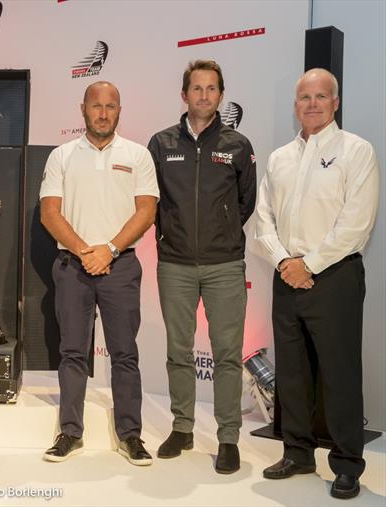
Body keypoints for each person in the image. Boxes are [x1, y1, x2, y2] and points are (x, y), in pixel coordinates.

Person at [255, 68, 379, 499]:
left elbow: (356, 224)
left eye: (320, 96)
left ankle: (346, 464)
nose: (312, 103)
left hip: (335, 277)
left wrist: (309, 264)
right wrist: (285, 261)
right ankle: (298, 452)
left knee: (339, 374)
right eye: (304, 97)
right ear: (296, 105)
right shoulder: (279, 158)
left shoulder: (357, 152)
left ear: (335, 102)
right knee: (292, 372)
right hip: (286, 275)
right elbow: (263, 218)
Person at [39, 81, 159, 465]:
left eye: (110, 106)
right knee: (73, 352)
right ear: (83, 109)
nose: (103, 113)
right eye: (96, 106)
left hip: (120, 266)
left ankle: (131, 435)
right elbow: (50, 213)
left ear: (119, 110)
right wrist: (85, 251)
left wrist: (108, 250)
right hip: (73, 266)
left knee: (125, 354)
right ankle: (69, 433)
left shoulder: (138, 156)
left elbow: (146, 212)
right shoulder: (61, 156)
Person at [147, 60, 256, 474]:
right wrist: (170, 235)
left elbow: (246, 202)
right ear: (184, 94)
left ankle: (228, 437)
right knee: (179, 351)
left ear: (221, 95)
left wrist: (222, 232)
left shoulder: (238, 145)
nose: (204, 95)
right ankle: (183, 428)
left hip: (225, 264)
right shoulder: (160, 143)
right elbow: (151, 202)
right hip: (174, 263)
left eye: (212, 89)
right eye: (197, 88)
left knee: (228, 354)